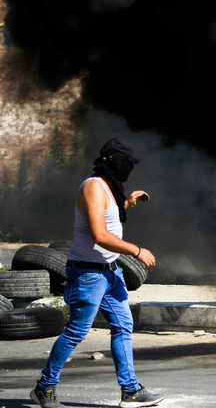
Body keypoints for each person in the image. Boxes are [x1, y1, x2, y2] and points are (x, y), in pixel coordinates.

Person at [30, 138, 164, 408]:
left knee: (123, 326)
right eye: (127, 164)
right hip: (88, 274)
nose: (129, 169)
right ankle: (44, 388)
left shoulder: (107, 187)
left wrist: (128, 203)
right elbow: (100, 235)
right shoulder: (93, 186)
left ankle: (131, 391)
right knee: (76, 332)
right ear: (115, 163)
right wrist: (137, 251)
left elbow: (108, 218)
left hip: (110, 272)